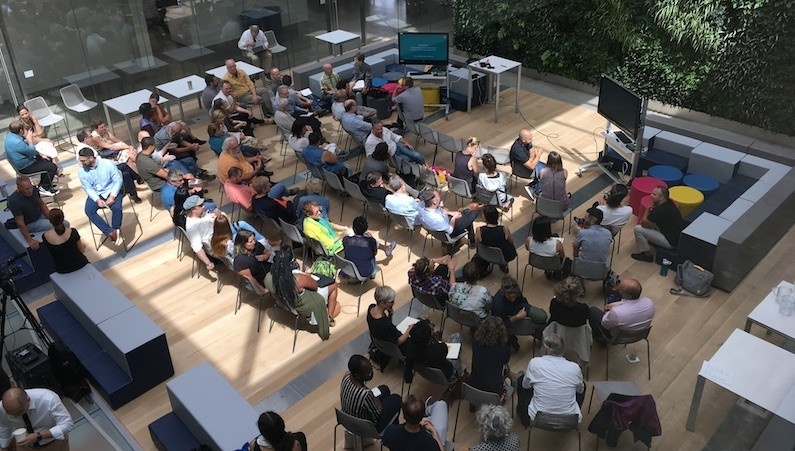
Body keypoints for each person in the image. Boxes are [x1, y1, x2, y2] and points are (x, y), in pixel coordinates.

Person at [265, 246, 340, 334]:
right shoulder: (298, 279)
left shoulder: (268, 277)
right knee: (333, 285)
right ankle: (329, 317)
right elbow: (315, 286)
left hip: (286, 304)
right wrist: (308, 276)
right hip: (303, 306)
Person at [519, 333, 585, 427]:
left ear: (546, 350)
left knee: (522, 381)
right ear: (563, 349)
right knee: (582, 386)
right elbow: (580, 390)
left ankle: (524, 419)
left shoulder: (535, 363)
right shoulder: (575, 368)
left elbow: (526, 386)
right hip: (569, 420)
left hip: (538, 418)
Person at [340, 355, 401, 432]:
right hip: (366, 427)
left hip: (347, 417)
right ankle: (394, 431)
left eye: (371, 368)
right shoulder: (365, 395)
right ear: (358, 376)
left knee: (384, 389)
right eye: (368, 372)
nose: (371, 373)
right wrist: (376, 401)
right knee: (396, 399)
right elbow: (377, 414)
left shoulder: (347, 375)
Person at [77, 148, 125, 245]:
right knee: (89, 210)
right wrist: (97, 199)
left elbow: (118, 181)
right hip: (97, 193)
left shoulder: (107, 164)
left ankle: (115, 229)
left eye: (83, 160)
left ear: (91, 158)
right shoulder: (81, 171)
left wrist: (112, 196)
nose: (81, 162)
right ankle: (110, 232)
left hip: (111, 190)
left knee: (116, 208)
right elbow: (88, 188)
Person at [0, 387, 74, 450]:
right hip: (26, 447)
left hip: (55, 443)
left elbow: (67, 424)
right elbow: (4, 429)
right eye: (11, 414)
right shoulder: (2, 408)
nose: (15, 416)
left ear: (28, 399)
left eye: (19, 412)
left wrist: (39, 436)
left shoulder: (48, 399)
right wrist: (4, 448)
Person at [588, 278, 655, 346]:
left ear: (628, 296)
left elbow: (605, 325)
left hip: (619, 337)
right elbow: (630, 305)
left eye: (619, 290)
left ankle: (600, 338)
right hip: (640, 334)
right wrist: (615, 305)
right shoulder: (649, 302)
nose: (615, 289)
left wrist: (609, 312)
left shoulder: (616, 312)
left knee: (592, 311)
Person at [491, 276, 547, 352]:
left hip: (520, 309)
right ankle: (537, 332)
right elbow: (499, 325)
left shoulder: (516, 290)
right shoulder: (497, 305)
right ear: (504, 293)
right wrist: (516, 317)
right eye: (510, 298)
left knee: (543, 317)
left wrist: (524, 310)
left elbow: (523, 301)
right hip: (509, 322)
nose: (513, 299)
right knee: (544, 325)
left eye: (515, 296)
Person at [4, 120, 59, 195]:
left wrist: (41, 155)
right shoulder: (18, 142)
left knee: (47, 159)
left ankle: (44, 184)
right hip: (25, 167)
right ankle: (44, 187)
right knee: (52, 167)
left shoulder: (9, 135)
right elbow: (32, 151)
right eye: (24, 129)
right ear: (21, 130)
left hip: (25, 161)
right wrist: (29, 140)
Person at [631, 185, 684, 262]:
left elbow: (643, 223)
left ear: (662, 197)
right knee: (651, 223)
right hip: (677, 237)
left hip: (670, 243)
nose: (651, 195)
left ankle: (646, 255)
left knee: (638, 229)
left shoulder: (659, 211)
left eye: (654, 194)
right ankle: (654, 242)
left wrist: (647, 210)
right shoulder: (669, 202)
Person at [469, 316, 516, 399]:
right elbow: (504, 362)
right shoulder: (504, 350)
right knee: (505, 368)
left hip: (473, 385)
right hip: (494, 391)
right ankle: (514, 381)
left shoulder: (475, 343)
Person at [382, 395, 448, 451]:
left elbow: (385, 443)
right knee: (441, 404)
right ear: (422, 417)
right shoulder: (430, 442)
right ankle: (429, 408)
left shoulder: (390, 431)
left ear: (404, 416)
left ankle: (429, 409)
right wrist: (433, 431)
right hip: (427, 435)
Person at [404, 319, 460, 384]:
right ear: (428, 337)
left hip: (426, 374)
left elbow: (407, 378)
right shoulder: (440, 348)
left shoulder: (410, 349)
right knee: (457, 336)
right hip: (449, 374)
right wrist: (434, 340)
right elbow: (444, 353)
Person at [7, 176, 53, 249]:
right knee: (52, 225)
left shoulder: (34, 190)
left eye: (30, 187)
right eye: (26, 189)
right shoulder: (14, 201)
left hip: (39, 215)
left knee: (63, 222)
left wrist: (51, 217)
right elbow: (20, 222)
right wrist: (29, 240)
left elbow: (41, 204)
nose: (30, 190)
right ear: (19, 188)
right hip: (29, 223)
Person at [42, 209, 89, 274]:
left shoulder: (45, 236)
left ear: (50, 220)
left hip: (62, 269)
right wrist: (83, 246)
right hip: (80, 264)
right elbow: (81, 250)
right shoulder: (73, 231)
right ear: (63, 218)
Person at [367, 286, 412, 352]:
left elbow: (386, 326)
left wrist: (390, 315)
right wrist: (409, 329)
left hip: (382, 340)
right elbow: (398, 342)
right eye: (391, 301)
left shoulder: (371, 307)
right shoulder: (384, 323)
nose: (393, 303)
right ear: (382, 303)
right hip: (395, 346)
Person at [476, 205, 517, 273]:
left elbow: (478, 244)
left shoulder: (479, 230)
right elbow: (511, 242)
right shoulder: (504, 229)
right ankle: (503, 265)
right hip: (504, 256)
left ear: (485, 217)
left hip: (486, 254)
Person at [509, 129, 545, 200]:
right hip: (521, 169)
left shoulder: (526, 143)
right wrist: (539, 154)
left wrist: (532, 158)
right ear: (523, 140)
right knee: (546, 174)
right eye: (530, 139)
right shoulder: (518, 150)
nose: (531, 140)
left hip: (528, 164)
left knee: (549, 168)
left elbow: (533, 154)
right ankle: (535, 191)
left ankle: (533, 185)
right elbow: (531, 166)